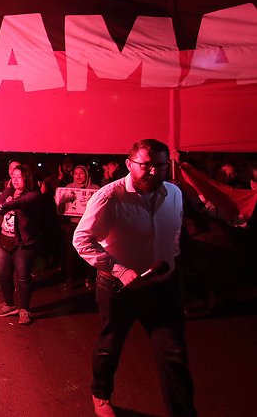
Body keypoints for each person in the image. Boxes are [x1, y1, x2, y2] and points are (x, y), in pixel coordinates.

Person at [73, 139, 196, 417]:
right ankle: (101, 394)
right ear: (130, 164)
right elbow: (81, 240)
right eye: (146, 165)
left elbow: (173, 230)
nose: (153, 171)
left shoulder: (174, 194)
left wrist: (171, 257)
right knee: (110, 345)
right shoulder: (109, 196)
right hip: (118, 288)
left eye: (160, 166)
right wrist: (121, 270)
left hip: (162, 286)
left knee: (174, 354)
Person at [0, 164, 46, 325]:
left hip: (23, 243)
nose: (15, 180)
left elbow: (18, 203)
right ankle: (9, 304)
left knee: (23, 278)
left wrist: (4, 205)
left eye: (19, 177)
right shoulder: (9, 192)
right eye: (13, 177)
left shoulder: (33, 195)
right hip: (4, 239)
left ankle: (24, 309)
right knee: (2, 274)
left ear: (27, 178)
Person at [57, 165, 99, 291]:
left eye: (81, 173)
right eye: (76, 173)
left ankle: (89, 279)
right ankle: (69, 280)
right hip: (73, 225)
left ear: (86, 174)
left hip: (90, 225)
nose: (78, 176)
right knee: (70, 253)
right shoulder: (69, 188)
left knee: (90, 253)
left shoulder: (95, 188)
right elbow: (61, 208)